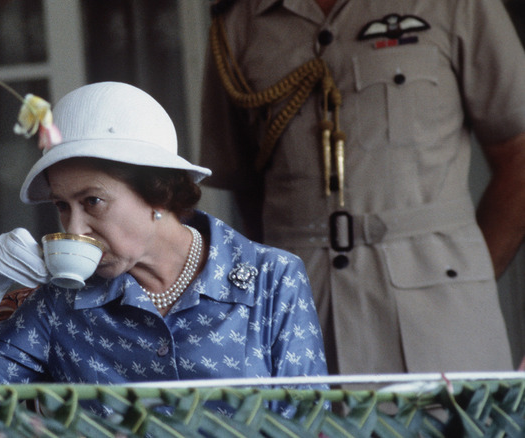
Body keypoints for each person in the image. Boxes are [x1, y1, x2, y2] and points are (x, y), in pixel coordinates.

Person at [0, 81, 329, 416]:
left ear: (159, 194)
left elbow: (309, 423)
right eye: (63, 206)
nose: (75, 229)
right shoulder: (61, 302)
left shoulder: (273, 280)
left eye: (92, 201)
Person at [199, 0, 522, 375]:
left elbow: (518, 157)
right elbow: (247, 185)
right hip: (301, 316)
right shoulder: (239, 20)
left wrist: (466, 275)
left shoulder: (456, 5)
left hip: (440, 316)